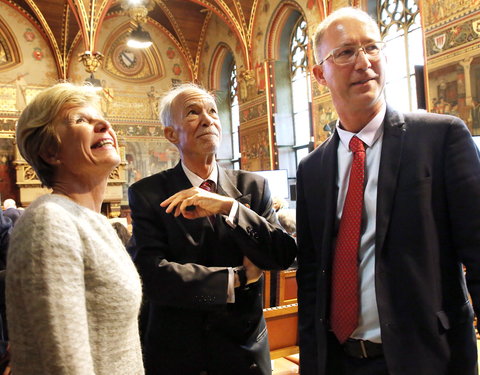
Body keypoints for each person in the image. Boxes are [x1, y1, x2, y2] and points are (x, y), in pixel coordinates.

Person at [296, 7, 480, 375]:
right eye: (346, 52)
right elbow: (312, 273)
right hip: (340, 360)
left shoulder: (440, 137)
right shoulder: (312, 169)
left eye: (372, 48)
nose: (364, 62)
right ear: (320, 74)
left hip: (427, 357)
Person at [128, 83, 297, 375]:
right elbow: (153, 276)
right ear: (171, 134)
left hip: (243, 351)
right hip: (179, 353)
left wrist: (228, 207)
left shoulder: (252, 187)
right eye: (193, 113)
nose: (207, 119)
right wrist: (237, 278)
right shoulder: (149, 194)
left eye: (212, 112)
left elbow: (280, 256)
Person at [6, 83, 144, 375]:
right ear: (50, 152)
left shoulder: (96, 224)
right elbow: (63, 363)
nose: (104, 124)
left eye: (101, 118)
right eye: (81, 120)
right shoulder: (50, 221)